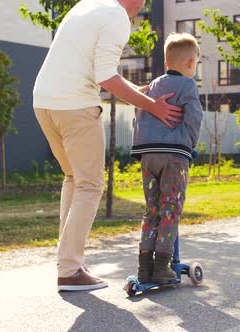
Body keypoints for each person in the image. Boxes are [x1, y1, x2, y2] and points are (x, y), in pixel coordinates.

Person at [33, 0, 183, 292]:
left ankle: (68, 263)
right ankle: (69, 270)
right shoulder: (116, 16)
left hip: (44, 102)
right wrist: (151, 106)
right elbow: (105, 76)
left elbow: (92, 68)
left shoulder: (87, 5)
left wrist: (138, 92)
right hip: (76, 106)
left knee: (75, 179)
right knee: (90, 185)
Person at [131, 33, 203, 284]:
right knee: (171, 209)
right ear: (191, 62)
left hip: (148, 156)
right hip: (174, 156)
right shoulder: (188, 85)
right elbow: (194, 118)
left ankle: (144, 266)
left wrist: (141, 149)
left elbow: (137, 115)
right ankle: (162, 267)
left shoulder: (150, 87)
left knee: (152, 210)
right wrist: (190, 145)